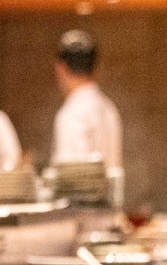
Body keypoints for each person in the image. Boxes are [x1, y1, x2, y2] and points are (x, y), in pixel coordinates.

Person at [52, 30, 122, 167]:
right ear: (95, 68)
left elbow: (70, 177)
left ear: (61, 68)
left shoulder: (72, 113)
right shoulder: (108, 107)